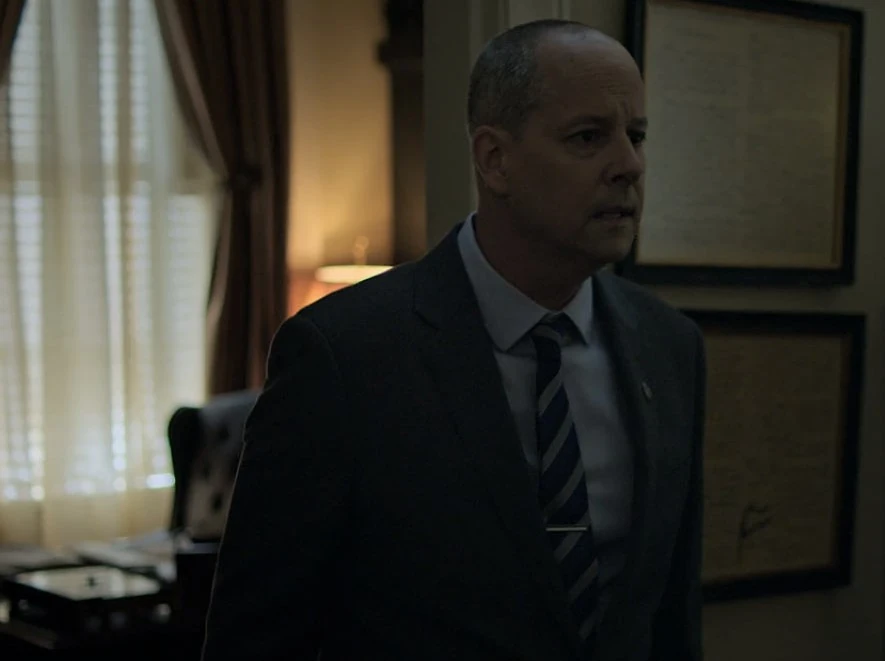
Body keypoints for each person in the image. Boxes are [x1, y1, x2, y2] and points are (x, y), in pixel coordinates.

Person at [202, 19, 705, 661]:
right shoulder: (343, 354)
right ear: (495, 159)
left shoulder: (670, 345)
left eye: (635, 137)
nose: (629, 166)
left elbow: (670, 616)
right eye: (588, 137)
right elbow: (255, 635)